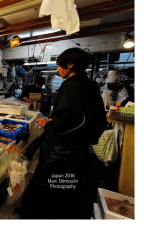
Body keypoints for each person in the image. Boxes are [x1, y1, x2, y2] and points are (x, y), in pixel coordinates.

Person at [21, 48, 107, 219]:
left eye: (59, 65)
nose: (58, 69)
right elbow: (96, 121)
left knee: (48, 187)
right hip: (80, 151)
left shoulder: (72, 86)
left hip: (64, 152)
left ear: (70, 64)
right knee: (67, 187)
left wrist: (49, 125)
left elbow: (72, 123)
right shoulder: (90, 86)